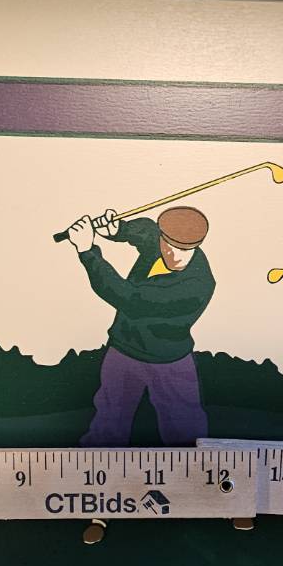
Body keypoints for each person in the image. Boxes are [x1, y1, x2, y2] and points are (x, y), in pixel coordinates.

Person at [64, 206, 248, 542]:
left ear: (197, 246)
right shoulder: (157, 244)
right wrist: (118, 228)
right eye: (168, 245)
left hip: (170, 362)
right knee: (108, 424)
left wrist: (88, 250)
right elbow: (146, 230)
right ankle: (98, 505)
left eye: (184, 250)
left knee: (185, 431)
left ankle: (214, 498)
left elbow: (128, 298)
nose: (174, 255)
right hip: (123, 353)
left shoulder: (197, 284)